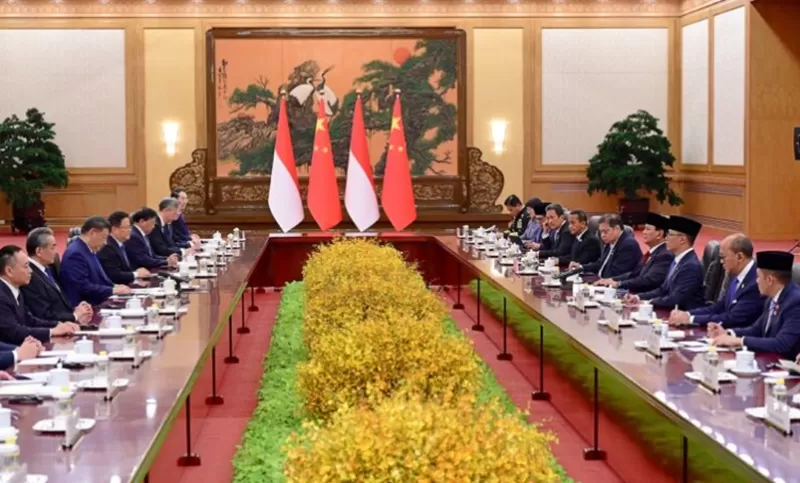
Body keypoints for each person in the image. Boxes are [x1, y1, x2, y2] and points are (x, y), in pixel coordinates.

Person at [710, 251, 800, 359]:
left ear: (770, 280)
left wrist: (740, 341)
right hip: (769, 360)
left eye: (758, 277)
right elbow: (756, 329)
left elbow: (781, 344)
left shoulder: (795, 302)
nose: (756, 281)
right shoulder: (771, 298)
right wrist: (728, 333)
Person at [669, 233, 763, 329]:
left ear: (739, 257)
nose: (721, 262)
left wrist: (691, 319)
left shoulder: (755, 282)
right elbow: (719, 307)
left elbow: (733, 318)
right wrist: (687, 314)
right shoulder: (737, 274)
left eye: (723, 257)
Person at [0, 246, 78, 344]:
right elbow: (13, 332)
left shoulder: (14, 289)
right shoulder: (2, 296)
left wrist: (58, 324)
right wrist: (51, 331)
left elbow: (29, 320)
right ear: (9, 271)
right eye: (26, 266)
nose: (31, 271)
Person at [626, 216, 705, 310]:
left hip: (684, 314)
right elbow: (663, 290)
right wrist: (638, 297)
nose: (666, 238)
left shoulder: (690, 266)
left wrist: (647, 302)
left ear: (682, 240)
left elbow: (676, 299)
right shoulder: (677, 260)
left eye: (670, 235)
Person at [20, 227, 93, 324]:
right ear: (39, 251)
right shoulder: (29, 276)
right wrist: (74, 316)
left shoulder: (48, 268)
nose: (56, 252)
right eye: (52, 247)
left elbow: (57, 301)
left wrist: (78, 309)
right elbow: (42, 314)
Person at [60, 216, 132, 306]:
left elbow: (98, 279)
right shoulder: (76, 253)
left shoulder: (88, 249)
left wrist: (114, 286)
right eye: (104, 237)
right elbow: (82, 287)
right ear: (93, 232)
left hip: (97, 300)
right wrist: (112, 290)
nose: (105, 242)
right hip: (86, 306)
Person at [596, 212, 672, 293]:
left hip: (645, 297)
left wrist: (619, 284)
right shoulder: (652, 252)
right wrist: (612, 280)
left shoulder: (665, 255)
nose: (643, 232)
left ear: (659, 234)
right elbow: (634, 274)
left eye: (647, 229)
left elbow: (648, 280)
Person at [578, 214, 641, 278]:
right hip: (602, 281)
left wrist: (595, 282)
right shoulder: (611, 241)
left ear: (617, 228)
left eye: (605, 231)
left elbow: (617, 273)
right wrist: (581, 267)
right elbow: (601, 263)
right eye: (601, 232)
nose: (602, 235)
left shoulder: (628, 245)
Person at [98, 211, 151, 285]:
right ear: (114, 229)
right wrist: (136, 274)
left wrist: (137, 271)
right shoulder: (108, 247)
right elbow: (114, 275)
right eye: (126, 227)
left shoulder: (121, 244)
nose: (130, 230)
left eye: (130, 227)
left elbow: (125, 268)